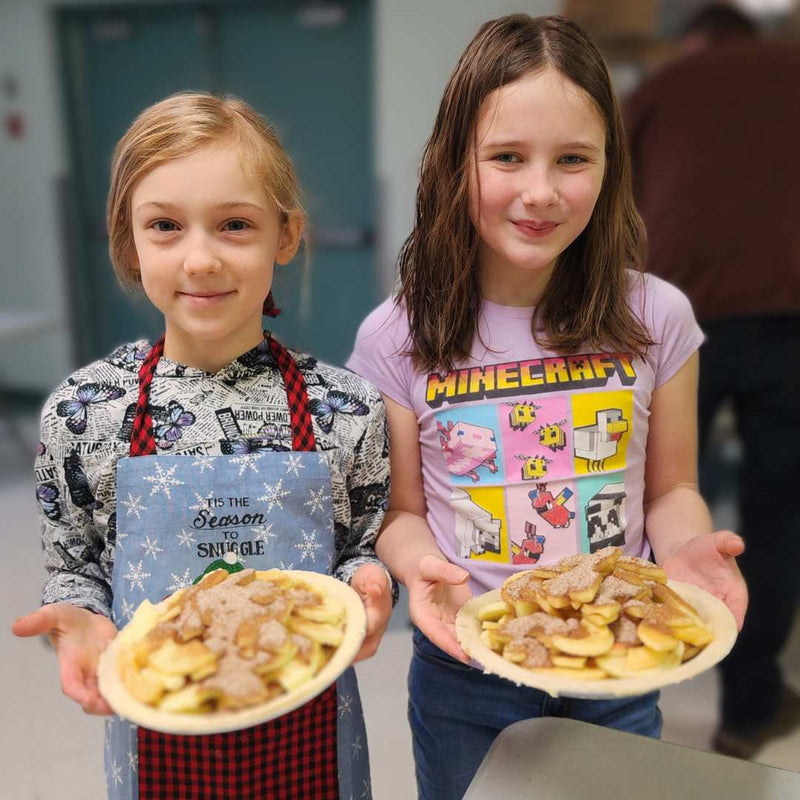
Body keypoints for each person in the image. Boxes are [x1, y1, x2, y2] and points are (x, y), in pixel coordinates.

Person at [346, 14, 747, 799]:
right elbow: (400, 512)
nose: (540, 192)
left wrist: (687, 550)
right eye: (506, 157)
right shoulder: (397, 334)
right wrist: (417, 567)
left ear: (610, 167)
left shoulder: (655, 317)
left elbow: (671, 490)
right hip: (467, 672)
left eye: (572, 159)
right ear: (455, 163)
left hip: (620, 666)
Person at [12, 92, 393, 800]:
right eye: (164, 226)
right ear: (127, 241)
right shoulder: (84, 413)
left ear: (286, 235)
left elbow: (360, 550)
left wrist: (370, 583)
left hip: (310, 741)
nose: (201, 258)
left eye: (234, 225)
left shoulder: (348, 409)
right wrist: (79, 619)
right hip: (157, 743)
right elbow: (76, 569)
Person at [624, 3, 800, 759]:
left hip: (675, 316)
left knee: (650, 494)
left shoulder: (664, 83)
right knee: (776, 515)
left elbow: (603, 192)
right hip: (791, 321)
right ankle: (750, 707)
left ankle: (626, 674)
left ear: (696, 38)